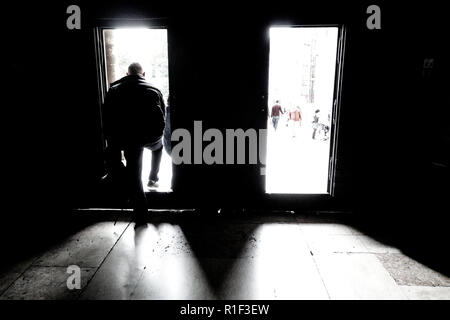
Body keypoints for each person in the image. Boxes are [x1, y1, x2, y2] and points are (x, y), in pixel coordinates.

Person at [103, 62, 165, 224]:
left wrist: (114, 145)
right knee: (158, 148)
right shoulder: (154, 89)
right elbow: (162, 118)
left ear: (127, 74)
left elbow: (107, 121)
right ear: (143, 74)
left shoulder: (115, 89)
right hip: (151, 137)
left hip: (128, 138)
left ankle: (140, 213)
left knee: (134, 173)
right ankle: (153, 176)